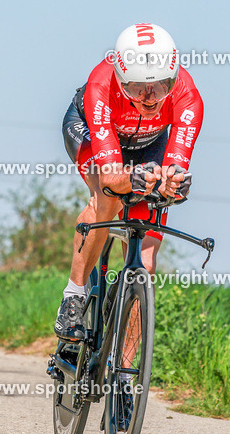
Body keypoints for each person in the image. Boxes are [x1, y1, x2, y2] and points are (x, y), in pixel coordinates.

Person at [55, 23, 203, 340]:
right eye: (137, 88)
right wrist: (132, 179)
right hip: (91, 132)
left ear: (174, 79)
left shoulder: (188, 98)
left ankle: (124, 376)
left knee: (146, 260)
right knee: (107, 196)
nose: (149, 98)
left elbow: (174, 169)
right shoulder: (101, 85)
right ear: (121, 80)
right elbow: (110, 176)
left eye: (161, 87)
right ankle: (74, 295)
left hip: (149, 142)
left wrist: (173, 184)